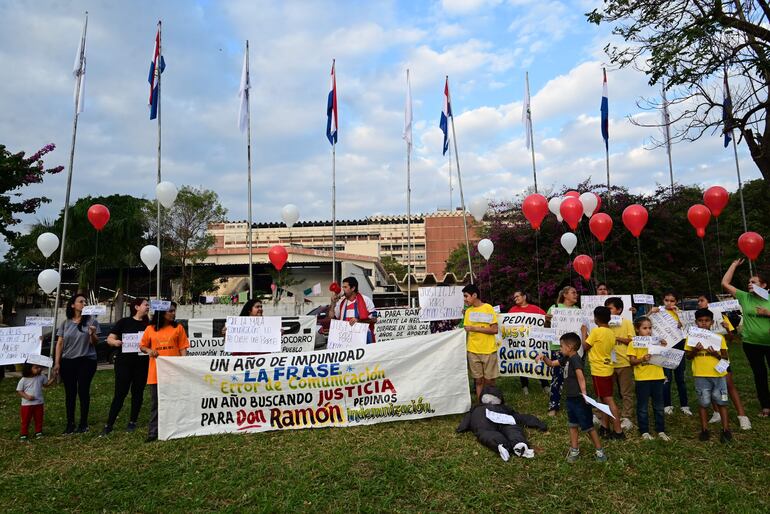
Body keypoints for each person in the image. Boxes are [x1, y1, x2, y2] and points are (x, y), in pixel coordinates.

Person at [537, 332, 607, 463]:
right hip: (570, 399)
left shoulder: (575, 359)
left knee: (588, 427)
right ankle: (574, 449)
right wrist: (543, 357)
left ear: (569, 347)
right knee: (572, 425)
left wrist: (584, 393)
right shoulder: (566, 359)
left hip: (579, 399)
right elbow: (552, 363)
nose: (560, 349)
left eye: (562, 346)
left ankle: (599, 451)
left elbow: (580, 376)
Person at [721, 258, 770, 418]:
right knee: (760, 374)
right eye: (749, 282)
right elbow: (725, 283)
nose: (749, 284)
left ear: (764, 286)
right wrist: (734, 265)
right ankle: (766, 406)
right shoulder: (745, 297)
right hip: (751, 344)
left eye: (754, 282)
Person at [696, 294, 751, 430]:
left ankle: (742, 416)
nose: (699, 303)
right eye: (698, 301)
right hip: (704, 363)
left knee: (728, 385)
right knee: (710, 386)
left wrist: (728, 329)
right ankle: (716, 412)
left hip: (721, 359)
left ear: (710, 302)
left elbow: (732, 338)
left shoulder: (721, 316)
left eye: (701, 300)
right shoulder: (699, 318)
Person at [100, 298, 150, 436]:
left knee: (138, 393)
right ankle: (109, 424)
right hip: (124, 364)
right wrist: (115, 342)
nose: (148, 307)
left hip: (142, 364)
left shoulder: (149, 325)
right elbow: (110, 338)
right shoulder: (124, 322)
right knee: (120, 393)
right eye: (146, 305)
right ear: (137, 306)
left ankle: (133, 421)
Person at [140, 302, 189, 442]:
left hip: (174, 372)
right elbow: (142, 346)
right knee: (157, 403)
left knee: (176, 400)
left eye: (174, 311)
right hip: (156, 372)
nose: (173, 313)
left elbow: (183, 347)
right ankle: (153, 432)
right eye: (170, 311)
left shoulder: (178, 328)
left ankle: (177, 428)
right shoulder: (150, 329)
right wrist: (150, 351)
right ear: (161, 312)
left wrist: (183, 363)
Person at [52, 293, 100, 434]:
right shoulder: (65, 323)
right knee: (70, 392)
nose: (84, 304)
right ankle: (70, 424)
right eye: (81, 301)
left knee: (83, 391)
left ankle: (83, 424)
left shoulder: (91, 321)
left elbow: (95, 343)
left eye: (85, 301)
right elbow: (59, 343)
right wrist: (57, 362)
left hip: (87, 360)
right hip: (68, 361)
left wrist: (92, 333)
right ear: (73, 305)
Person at [685, 308, 732, 443]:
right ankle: (704, 429)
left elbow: (725, 357)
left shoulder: (719, 338)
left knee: (722, 402)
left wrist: (716, 354)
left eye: (706, 321)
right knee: (703, 402)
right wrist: (695, 350)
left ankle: (726, 429)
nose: (703, 323)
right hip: (700, 375)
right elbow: (688, 357)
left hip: (718, 374)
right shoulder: (691, 338)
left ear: (711, 322)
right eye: (700, 321)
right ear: (696, 322)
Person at [582, 306, 624, 439]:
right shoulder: (610, 332)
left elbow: (585, 346)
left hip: (599, 370)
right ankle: (604, 426)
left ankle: (618, 431)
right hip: (607, 368)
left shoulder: (596, 331)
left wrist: (584, 333)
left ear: (595, 319)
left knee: (608, 399)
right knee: (603, 399)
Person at [626, 317, 670, 441]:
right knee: (643, 406)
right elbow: (632, 361)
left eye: (650, 328)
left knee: (659, 406)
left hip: (658, 377)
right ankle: (644, 431)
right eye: (644, 328)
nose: (648, 331)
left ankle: (660, 430)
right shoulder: (633, 343)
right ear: (637, 329)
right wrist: (642, 359)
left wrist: (664, 347)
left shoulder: (657, 342)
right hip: (642, 379)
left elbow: (665, 358)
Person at [651, 292, 692, 416]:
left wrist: (679, 316)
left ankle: (684, 405)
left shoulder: (680, 313)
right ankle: (667, 405)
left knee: (680, 379)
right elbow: (644, 322)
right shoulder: (658, 311)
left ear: (676, 301)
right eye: (666, 300)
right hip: (664, 348)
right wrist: (650, 312)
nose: (669, 303)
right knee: (666, 379)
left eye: (672, 301)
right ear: (663, 300)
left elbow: (687, 329)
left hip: (679, 348)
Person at [545, 286, 580, 415]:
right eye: (573, 292)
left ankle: (577, 403)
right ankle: (553, 406)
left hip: (574, 350)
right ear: (565, 295)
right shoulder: (554, 308)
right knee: (557, 377)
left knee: (575, 377)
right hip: (557, 347)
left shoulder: (578, 310)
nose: (576, 295)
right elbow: (547, 328)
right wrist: (547, 321)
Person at [462, 284, 499, 403]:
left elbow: (494, 329)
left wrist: (475, 328)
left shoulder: (488, 308)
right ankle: (480, 404)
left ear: (474, 295)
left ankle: (492, 402)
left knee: (489, 381)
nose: (464, 299)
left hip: (488, 351)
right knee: (478, 380)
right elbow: (466, 329)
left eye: (466, 296)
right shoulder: (468, 312)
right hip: (473, 351)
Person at [508, 290, 548, 395]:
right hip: (520, 343)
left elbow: (545, 319)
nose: (515, 298)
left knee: (538, 361)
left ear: (524, 297)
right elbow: (506, 324)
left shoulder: (535, 309)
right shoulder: (512, 310)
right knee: (522, 362)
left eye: (517, 296)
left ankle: (545, 384)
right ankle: (524, 386)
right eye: (514, 297)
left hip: (534, 342)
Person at [605, 297, 636, 430]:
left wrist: (616, 337)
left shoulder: (627, 323)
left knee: (626, 392)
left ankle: (627, 417)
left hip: (624, 362)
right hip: (608, 362)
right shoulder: (604, 324)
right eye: (606, 308)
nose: (608, 311)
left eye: (610, 308)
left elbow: (632, 340)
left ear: (619, 310)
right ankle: (601, 415)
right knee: (605, 391)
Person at [329, 276, 378, 343]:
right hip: (346, 340)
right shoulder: (341, 302)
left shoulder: (366, 300)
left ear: (353, 288)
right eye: (343, 287)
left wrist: (358, 320)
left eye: (345, 287)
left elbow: (374, 319)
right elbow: (332, 317)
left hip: (362, 338)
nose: (343, 289)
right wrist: (332, 303)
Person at [17, 363, 55, 440]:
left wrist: (53, 378)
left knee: (39, 418)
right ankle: (24, 433)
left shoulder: (41, 377)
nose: (39, 369)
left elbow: (46, 384)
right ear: (29, 369)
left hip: (39, 403)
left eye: (39, 367)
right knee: (26, 419)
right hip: (26, 404)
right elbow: (19, 391)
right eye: (36, 367)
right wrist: (27, 397)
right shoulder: (24, 379)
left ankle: (38, 432)